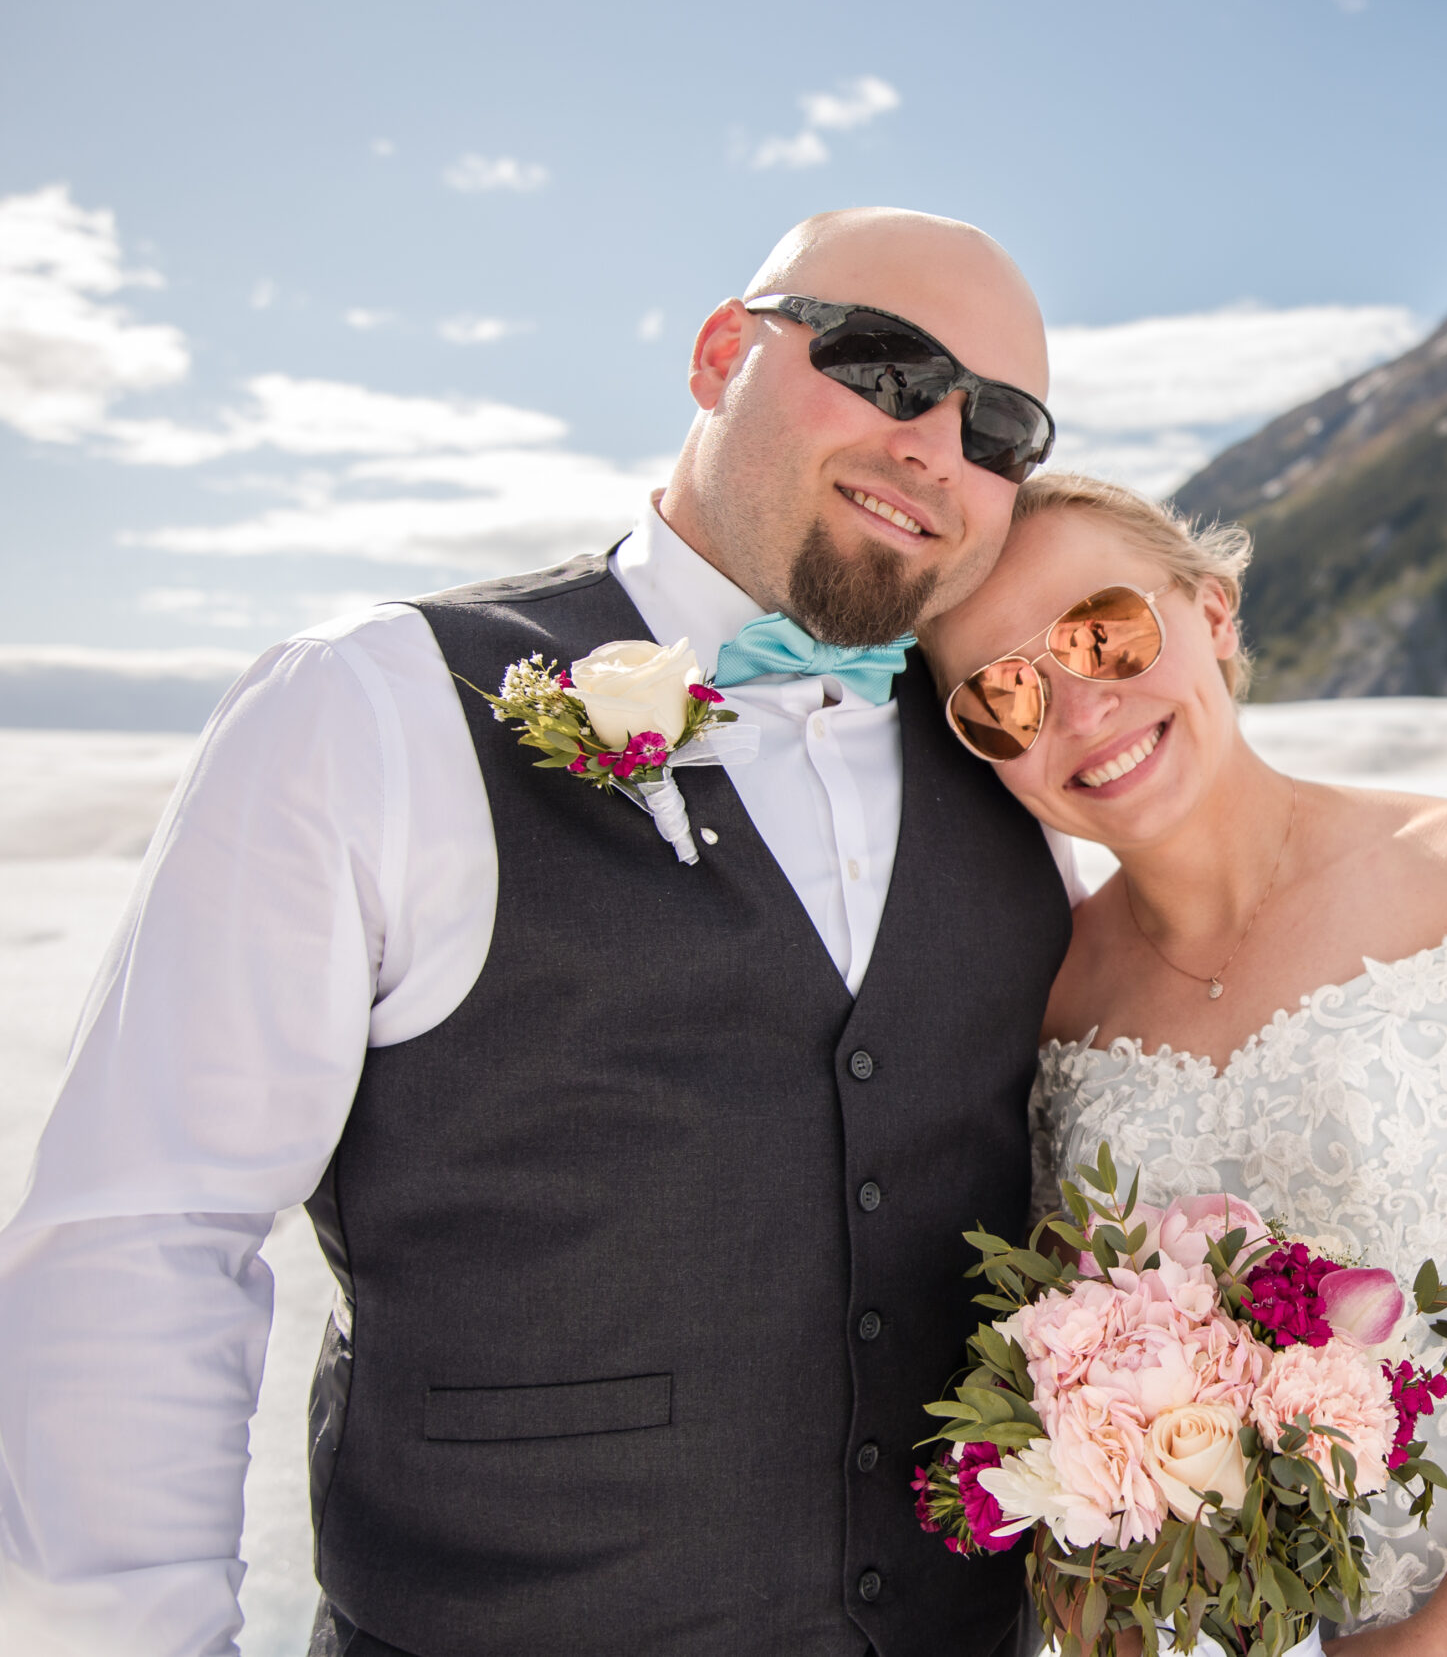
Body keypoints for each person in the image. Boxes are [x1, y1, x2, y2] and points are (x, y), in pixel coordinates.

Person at [0, 209, 1078, 1657]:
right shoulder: (371, 707)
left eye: (998, 425)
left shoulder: (1022, 779)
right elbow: (146, 1237)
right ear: (719, 356)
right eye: (885, 366)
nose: (936, 445)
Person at [920, 473, 1447, 1657]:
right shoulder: (1036, 1000)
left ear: (1212, 613)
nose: (1079, 710)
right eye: (1003, 694)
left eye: (1105, 632)